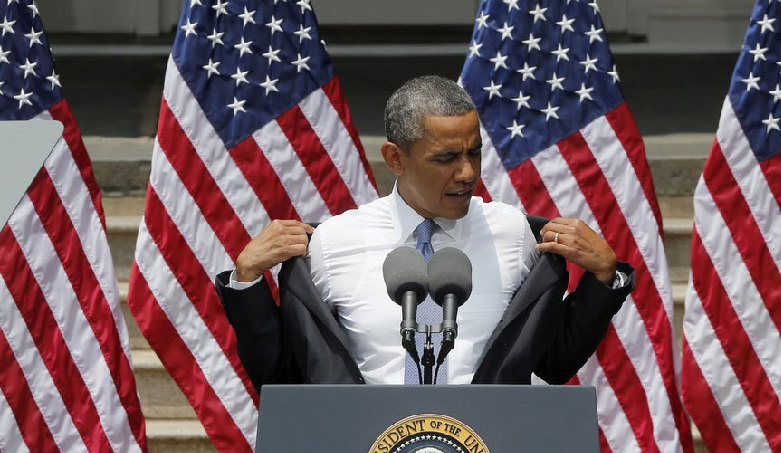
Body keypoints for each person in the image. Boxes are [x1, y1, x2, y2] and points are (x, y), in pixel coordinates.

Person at [215, 75, 633, 391]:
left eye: (474, 152)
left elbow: (554, 361)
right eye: (447, 158)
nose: (467, 173)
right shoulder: (333, 244)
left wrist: (603, 279)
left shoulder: (516, 235)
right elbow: (282, 375)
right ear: (395, 158)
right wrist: (247, 280)